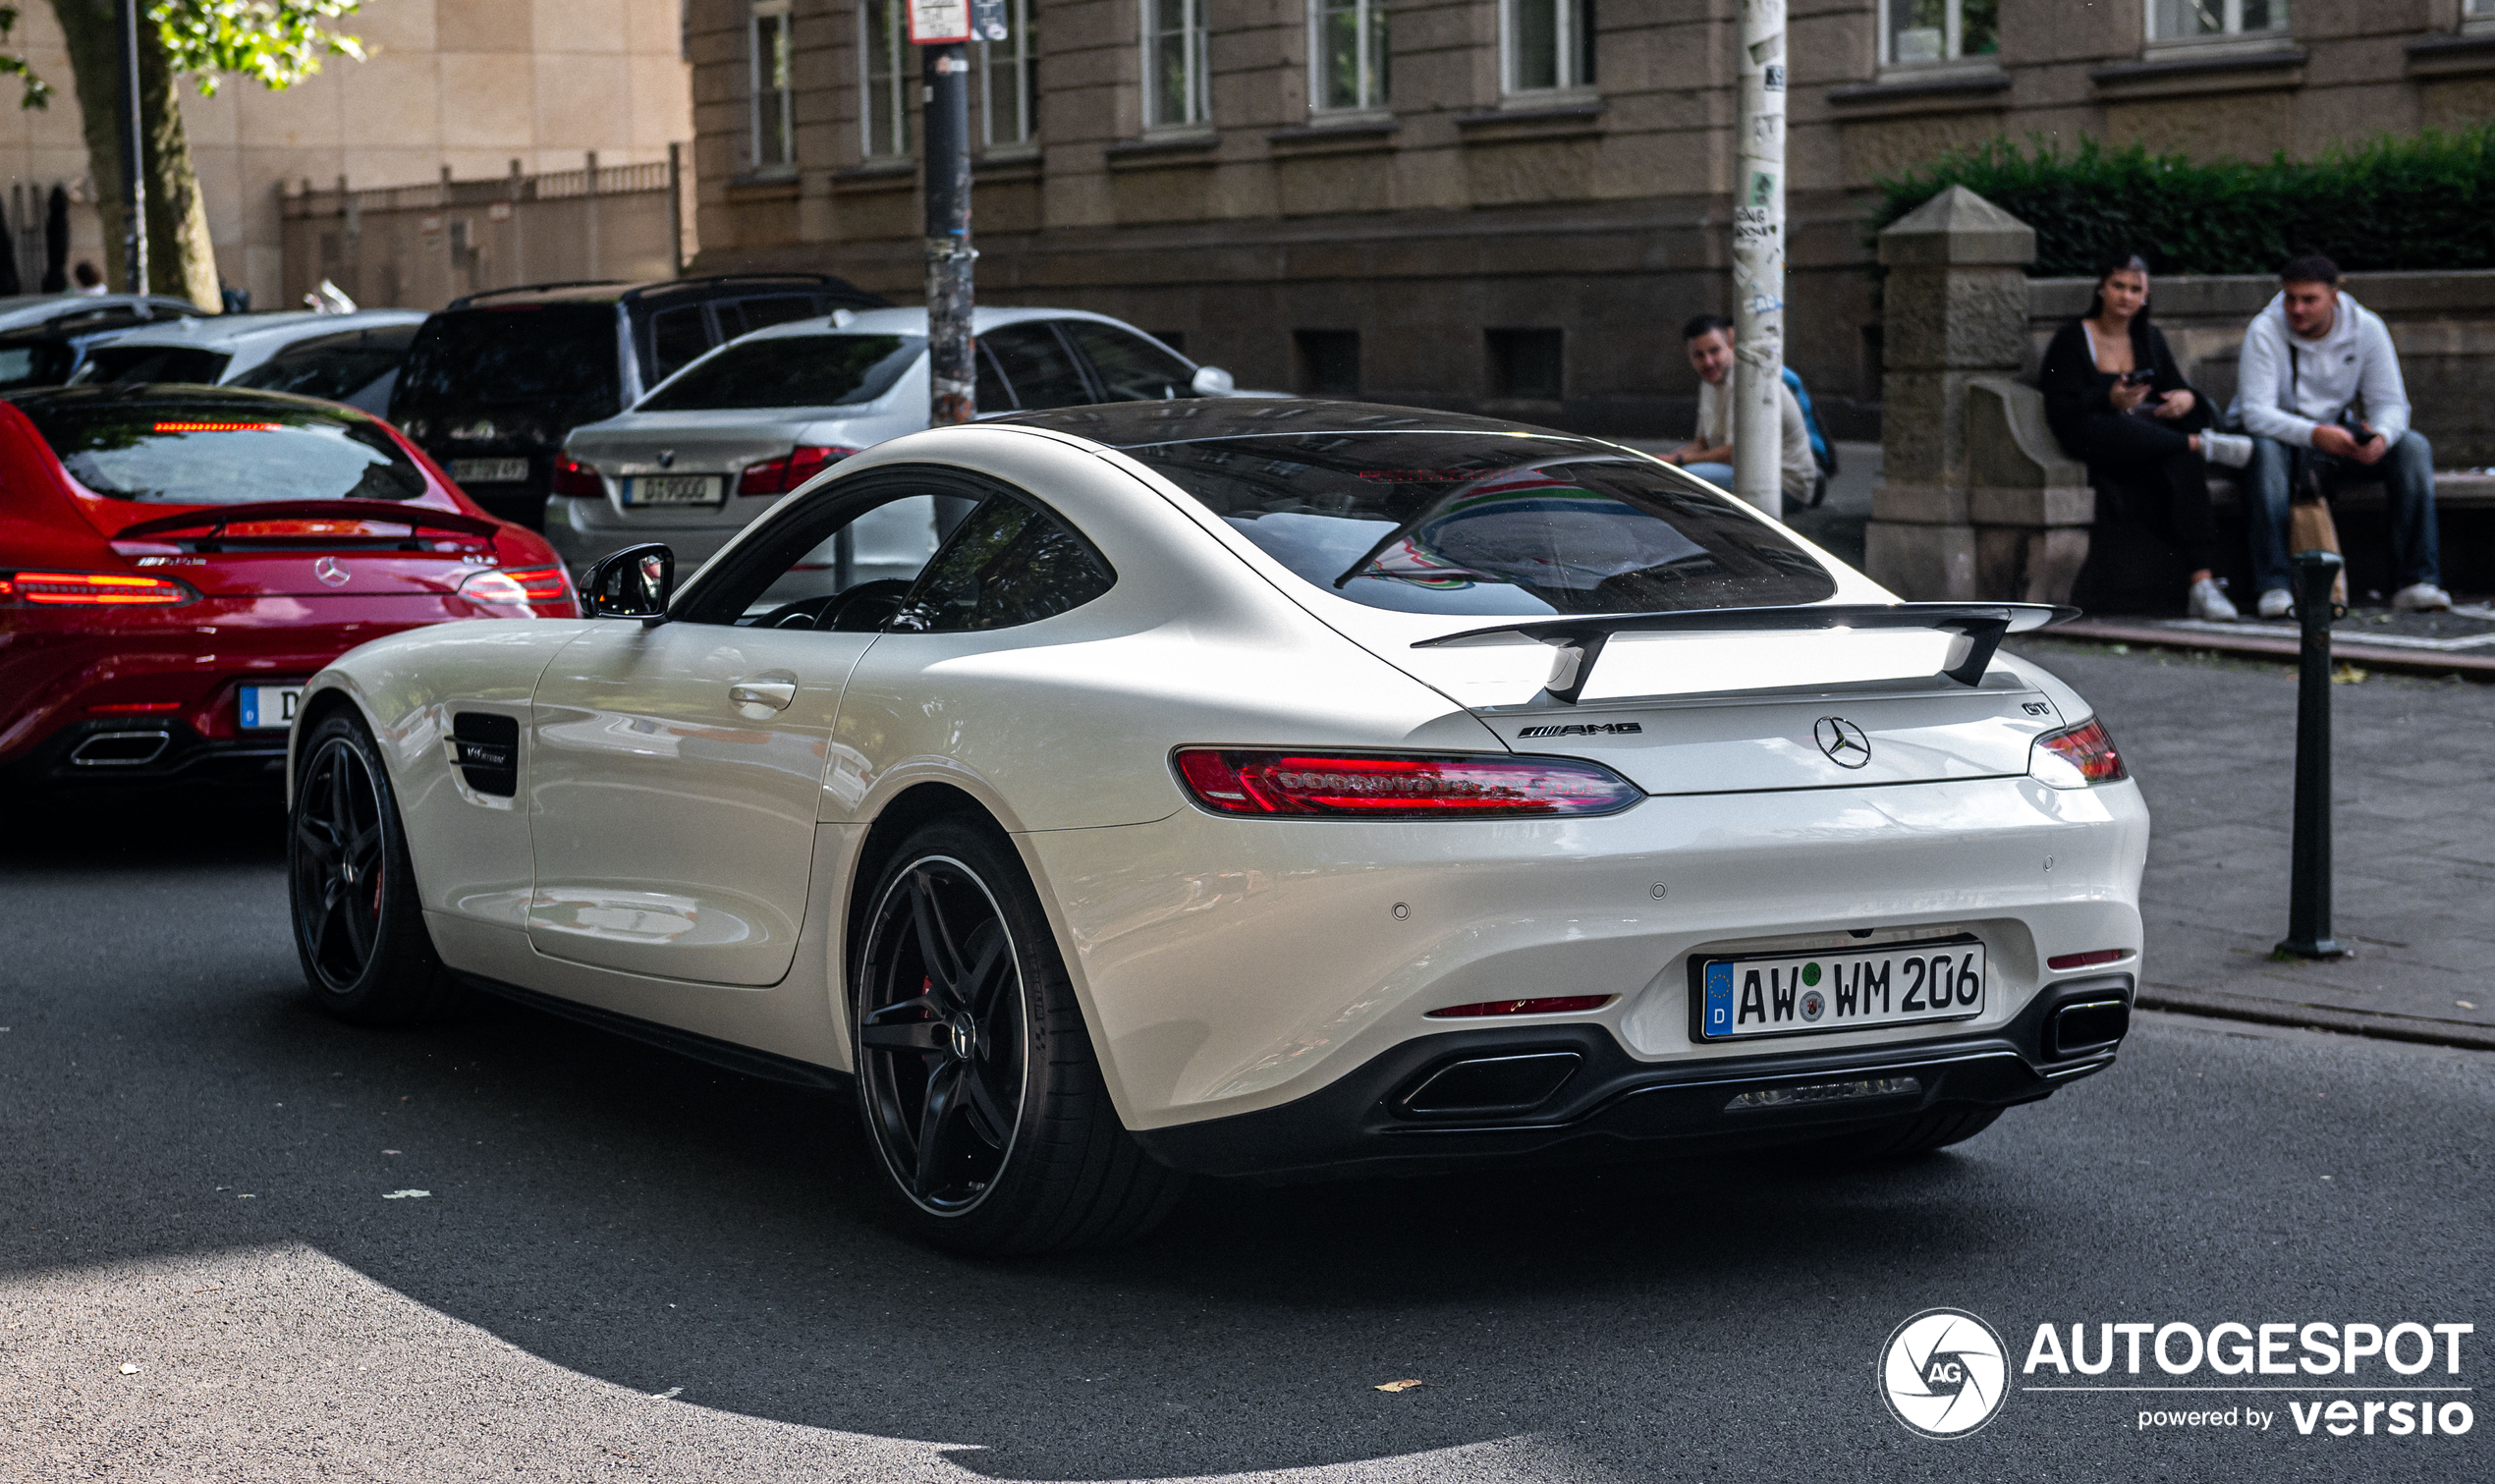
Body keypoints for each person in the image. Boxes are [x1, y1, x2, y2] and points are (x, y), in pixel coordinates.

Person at [2231, 254, 2450, 617]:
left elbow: (2392, 404)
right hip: (2278, 439)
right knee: (2266, 453)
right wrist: (2315, 433)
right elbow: (2255, 414)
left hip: (2334, 438)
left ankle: (2417, 581)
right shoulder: (2265, 328)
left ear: (2334, 296)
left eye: (2309, 299)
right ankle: (2274, 585)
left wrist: (2380, 436)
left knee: (2412, 447)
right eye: (2290, 298)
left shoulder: (2366, 328)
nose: (2296, 309)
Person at [2040, 253, 2252, 621]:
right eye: (2118, 286)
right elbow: (2061, 405)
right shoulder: (2073, 338)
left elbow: (2176, 387)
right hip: (2098, 443)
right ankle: (2202, 445)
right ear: (2101, 288)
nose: (2125, 296)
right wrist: (2108, 398)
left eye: (2135, 289)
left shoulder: (2148, 338)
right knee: (2110, 425)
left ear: (2146, 296)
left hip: (2146, 446)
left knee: (2181, 462)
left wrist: (2186, 399)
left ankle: (2202, 583)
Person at [1665, 314, 1814, 511]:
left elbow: (1734, 454)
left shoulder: (1747, 380)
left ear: (1731, 345)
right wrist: (1666, 461)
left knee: (1681, 483)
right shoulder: (1709, 381)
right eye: (1698, 355)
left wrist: (1678, 460)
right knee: (1668, 476)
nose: (1708, 362)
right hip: (1746, 474)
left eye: (1714, 351)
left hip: (1784, 485)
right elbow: (1703, 442)